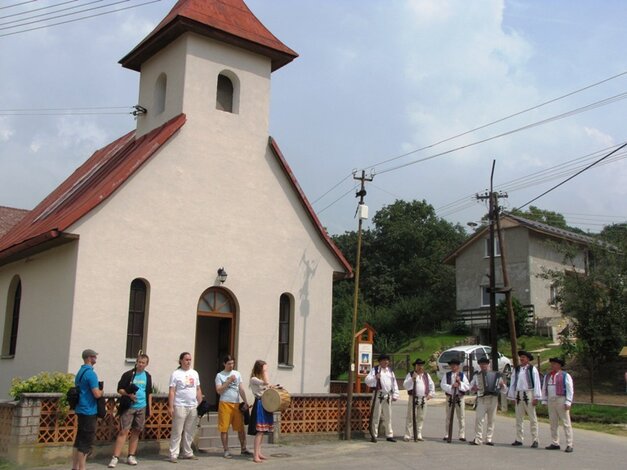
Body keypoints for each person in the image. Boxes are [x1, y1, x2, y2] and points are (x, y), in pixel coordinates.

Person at [108, 353, 153, 468]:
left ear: (146, 364)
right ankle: (115, 457)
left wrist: (149, 408)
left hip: (142, 406)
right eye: (139, 362)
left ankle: (131, 455)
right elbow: (120, 389)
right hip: (129, 406)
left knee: (137, 431)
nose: (141, 365)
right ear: (136, 362)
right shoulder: (128, 375)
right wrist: (129, 395)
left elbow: (149, 393)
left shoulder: (147, 376)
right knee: (124, 431)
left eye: (143, 363)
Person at [168, 352, 202, 463]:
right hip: (180, 405)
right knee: (177, 431)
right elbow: (172, 391)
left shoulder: (195, 373)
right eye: (186, 359)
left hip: (192, 405)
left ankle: (187, 452)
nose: (188, 362)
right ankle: (174, 453)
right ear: (181, 360)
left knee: (189, 431)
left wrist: (199, 402)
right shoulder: (176, 374)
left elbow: (198, 388)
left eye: (190, 360)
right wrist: (171, 406)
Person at [72, 349, 103, 470]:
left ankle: (75, 467)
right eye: (95, 356)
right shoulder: (91, 373)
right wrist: (102, 391)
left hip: (80, 408)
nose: (96, 358)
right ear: (90, 357)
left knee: (79, 440)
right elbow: (96, 394)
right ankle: (82, 468)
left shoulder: (80, 372)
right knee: (85, 442)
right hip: (89, 410)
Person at [215, 355, 251, 458]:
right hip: (224, 403)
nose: (231, 365)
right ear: (224, 364)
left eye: (232, 363)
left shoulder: (237, 374)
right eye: (229, 363)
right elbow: (219, 390)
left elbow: (241, 389)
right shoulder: (219, 375)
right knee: (224, 428)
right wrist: (229, 381)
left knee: (240, 428)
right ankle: (226, 450)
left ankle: (243, 448)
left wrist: (245, 402)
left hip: (236, 404)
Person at [468, 356, 507, 446]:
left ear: (488, 364)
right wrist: (474, 388)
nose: (483, 366)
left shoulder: (496, 375)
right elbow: (470, 388)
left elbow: (504, 390)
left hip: (493, 399)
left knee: (491, 419)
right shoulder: (476, 375)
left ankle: (489, 438)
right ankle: (478, 438)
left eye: (484, 364)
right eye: (481, 364)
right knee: (479, 419)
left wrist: (502, 385)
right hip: (482, 398)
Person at [507, 350, 542, 448]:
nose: (521, 359)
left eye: (523, 357)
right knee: (519, 418)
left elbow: (537, 383)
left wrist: (536, 396)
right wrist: (512, 396)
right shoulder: (517, 369)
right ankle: (519, 438)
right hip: (519, 394)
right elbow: (513, 382)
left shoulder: (532, 369)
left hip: (529, 393)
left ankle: (535, 439)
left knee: (532, 418)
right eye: (521, 357)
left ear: (528, 359)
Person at [364, 354, 400, 442]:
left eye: (387, 360)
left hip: (387, 395)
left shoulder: (390, 371)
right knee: (376, 415)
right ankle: (374, 435)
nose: (386, 362)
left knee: (388, 416)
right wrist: (375, 377)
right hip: (378, 394)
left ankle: (389, 435)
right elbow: (367, 380)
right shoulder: (375, 370)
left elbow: (394, 383)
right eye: (384, 360)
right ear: (380, 362)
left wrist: (395, 394)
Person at [542, 357, 574, 453]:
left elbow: (570, 389)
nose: (552, 365)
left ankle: (569, 444)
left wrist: (568, 401)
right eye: (552, 364)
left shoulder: (565, 375)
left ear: (559, 365)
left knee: (566, 422)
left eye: (555, 364)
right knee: (553, 422)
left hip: (561, 399)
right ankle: (555, 442)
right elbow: (544, 388)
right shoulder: (548, 376)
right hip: (551, 400)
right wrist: (544, 400)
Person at [248, 359, 276, 463]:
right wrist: (265, 373)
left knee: (263, 431)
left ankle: (259, 452)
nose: (266, 370)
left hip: (265, 404)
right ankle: (255, 456)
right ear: (260, 368)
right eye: (265, 368)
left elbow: (267, 386)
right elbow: (266, 382)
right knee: (259, 431)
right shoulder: (254, 379)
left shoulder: (259, 378)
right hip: (259, 404)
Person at [402, 358, 435, 442]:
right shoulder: (410, 374)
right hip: (413, 397)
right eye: (418, 365)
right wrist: (412, 379)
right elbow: (405, 385)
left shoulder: (426, 375)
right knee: (410, 416)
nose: (420, 367)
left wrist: (430, 394)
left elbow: (431, 385)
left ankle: (419, 433)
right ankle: (408, 434)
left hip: (423, 398)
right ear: (415, 366)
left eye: (421, 365)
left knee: (421, 417)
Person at [440, 358, 470, 441]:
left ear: (458, 366)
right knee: (448, 416)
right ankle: (447, 433)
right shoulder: (447, 375)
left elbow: (467, 386)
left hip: (459, 397)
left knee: (461, 416)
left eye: (455, 365)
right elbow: (443, 385)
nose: (453, 366)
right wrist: (451, 386)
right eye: (452, 365)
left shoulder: (462, 375)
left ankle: (462, 434)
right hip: (450, 397)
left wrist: (460, 383)